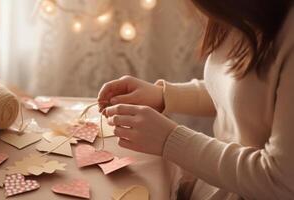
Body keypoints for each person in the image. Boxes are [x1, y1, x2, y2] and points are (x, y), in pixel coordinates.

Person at [97, 0, 294, 199]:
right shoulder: (246, 13)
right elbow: (245, 95)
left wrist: (170, 139)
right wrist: (164, 96)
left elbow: (280, 181)